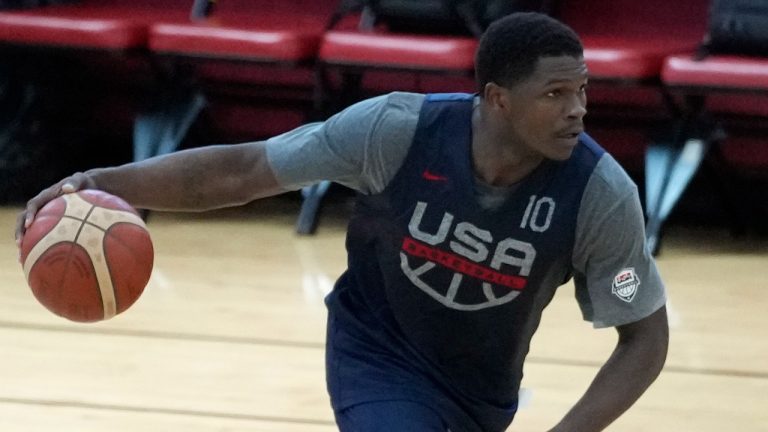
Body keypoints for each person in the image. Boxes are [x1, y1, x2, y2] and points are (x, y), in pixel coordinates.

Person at [14, 12, 668, 432]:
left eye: (582, 90)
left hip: (482, 394)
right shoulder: (396, 131)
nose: (577, 110)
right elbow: (244, 170)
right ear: (496, 100)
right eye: (555, 94)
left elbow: (644, 338)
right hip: (378, 353)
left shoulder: (598, 191)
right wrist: (101, 181)